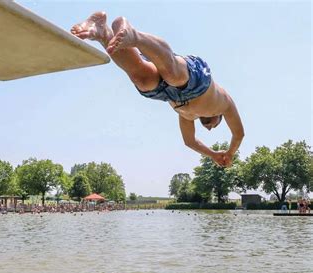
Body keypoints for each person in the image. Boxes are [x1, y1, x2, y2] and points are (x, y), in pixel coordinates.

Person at [71, 12, 244, 167]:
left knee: (143, 80)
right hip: (198, 80)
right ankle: (135, 36)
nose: (210, 128)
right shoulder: (224, 104)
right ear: (219, 117)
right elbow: (239, 134)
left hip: (167, 93)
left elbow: (190, 141)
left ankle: (102, 31)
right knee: (174, 76)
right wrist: (230, 153)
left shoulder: (187, 117)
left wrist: (213, 155)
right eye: (216, 125)